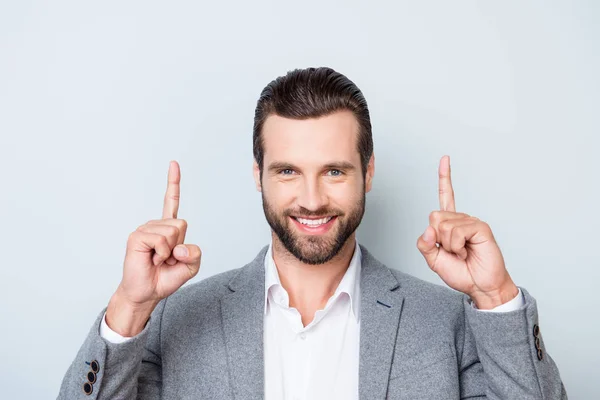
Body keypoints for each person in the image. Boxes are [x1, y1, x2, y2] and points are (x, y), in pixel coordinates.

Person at [57, 67, 567, 399]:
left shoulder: (450, 324)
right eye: (287, 171)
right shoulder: (172, 320)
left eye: (334, 171)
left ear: (367, 174)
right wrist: (128, 308)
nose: (312, 199)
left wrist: (495, 296)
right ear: (257, 175)